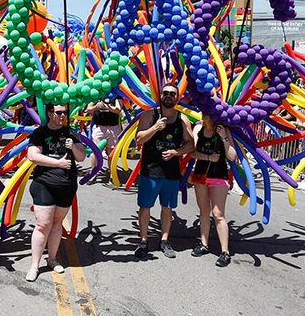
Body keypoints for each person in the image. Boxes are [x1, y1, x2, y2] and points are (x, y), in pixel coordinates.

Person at [24, 104, 86, 282]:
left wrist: (73, 146)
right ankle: (34, 265)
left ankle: (52, 259)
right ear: (50, 113)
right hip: (44, 184)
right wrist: (58, 163)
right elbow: (33, 156)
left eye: (65, 113)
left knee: (57, 224)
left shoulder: (71, 133)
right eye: (58, 113)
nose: (62, 116)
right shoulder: (40, 133)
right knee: (43, 224)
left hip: (66, 185)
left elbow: (81, 157)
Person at [133, 84, 195, 259]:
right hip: (150, 171)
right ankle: (143, 242)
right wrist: (155, 128)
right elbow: (139, 138)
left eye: (172, 94)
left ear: (177, 98)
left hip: (171, 173)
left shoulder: (182, 119)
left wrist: (176, 152)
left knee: (167, 208)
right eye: (165, 93)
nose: (168, 96)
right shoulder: (149, 115)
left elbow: (190, 144)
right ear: (160, 95)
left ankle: (164, 241)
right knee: (145, 207)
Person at [189, 115, 237, 267]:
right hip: (200, 176)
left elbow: (232, 156)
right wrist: (209, 157)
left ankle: (225, 252)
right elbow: (192, 152)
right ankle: (204, 244)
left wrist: (223, 138)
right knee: (204, 211)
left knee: (218, 214)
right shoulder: (198, 128)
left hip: (219, 176)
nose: (207, 116)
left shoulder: (223, 130)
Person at [86, 96, 123, 171]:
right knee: (96, 151)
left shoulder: (116, 94)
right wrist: (96, 106)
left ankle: (112, 174)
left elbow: (118, 109)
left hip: (113, 127)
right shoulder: (97, 93)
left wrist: (108, 107)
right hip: (99, 127)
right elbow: (88, 109)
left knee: (112, 153)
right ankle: (92, 173)